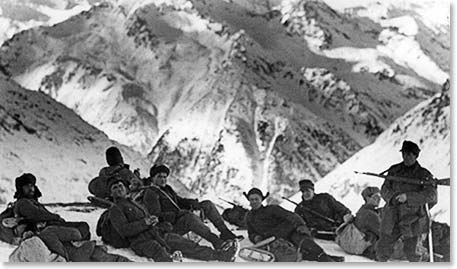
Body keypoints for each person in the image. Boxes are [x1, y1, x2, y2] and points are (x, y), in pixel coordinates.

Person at [107, 176, 237, 262]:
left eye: (120, 186)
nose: (119, 189)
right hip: (142, 242)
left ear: (125, 188)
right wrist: (145, 222)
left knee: (188, 245)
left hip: (156, 234)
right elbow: (124, 230)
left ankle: (221, 255)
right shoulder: (116, 209)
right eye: (115, 188)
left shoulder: (132, 202)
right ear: (111, 193)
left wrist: (154, 223)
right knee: (163, 255)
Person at [137, 164, 241, 250]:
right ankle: (217, 242)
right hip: (170, 226)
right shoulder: (150, 193)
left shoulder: (166, 189)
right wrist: (179, 214)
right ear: (152, 178)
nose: (163, 179)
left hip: (180, 217)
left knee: (207, 204)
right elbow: (156, 216)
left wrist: (193, 203)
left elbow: (179, 201)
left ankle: (225, 233)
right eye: (159, 177)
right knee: (189, 218)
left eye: (165, 177)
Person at [375, 140, 437, 262]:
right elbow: (384, 189)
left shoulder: (424, 174)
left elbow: (431, 196)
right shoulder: (394, 170)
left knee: (413, 253)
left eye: (409, 154)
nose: (406, 157)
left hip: (412, 219)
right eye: (404, 154)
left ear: (415, 155)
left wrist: (408, 198)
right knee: (382, 249)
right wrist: (393, 198)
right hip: (392, 216)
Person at [244, 188, 344, 262]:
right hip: (272, 239)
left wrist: (300, 225)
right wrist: (256, 238)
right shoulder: (248, 216)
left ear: (261, 200)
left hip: (289, 232)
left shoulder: (272, 209)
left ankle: (327, 259)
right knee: (291, 254)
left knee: (305, 244)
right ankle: (326, 257)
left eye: (256, 199)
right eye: (251, 199)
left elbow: (291, 216)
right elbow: (251, 233)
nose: (254, 202)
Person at [12, 173, 94, 261]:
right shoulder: (23, 203)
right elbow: (38, 214)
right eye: (27, 186)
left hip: (50, 227)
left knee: (83, 226)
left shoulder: (32, 202)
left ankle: (74, 249)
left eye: (32, 186)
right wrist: (56, 217)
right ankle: (74, 249)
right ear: (21, 189)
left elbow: (43, 214)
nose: (31, 188)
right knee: (77, 230)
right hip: (44, 230)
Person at [354, 186, 381, 260]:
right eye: (375, 197)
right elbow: (384, 233)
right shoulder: (370, 215)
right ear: (367, 198)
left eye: (379, 197)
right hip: (373, 248)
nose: (379, 199)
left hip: (367, 246)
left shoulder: (363, 210)